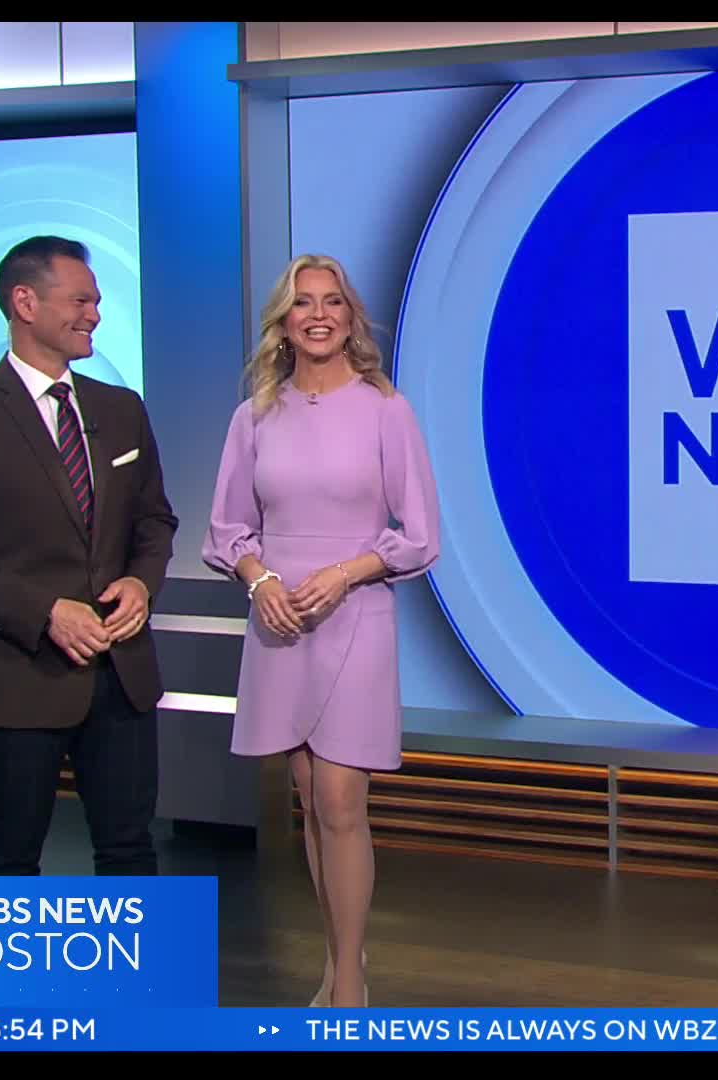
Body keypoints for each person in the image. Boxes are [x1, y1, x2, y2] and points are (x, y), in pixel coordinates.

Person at [203, 254, 440, 1009]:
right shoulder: (254, 416)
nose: (318, 314)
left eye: (332, 302)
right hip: (279, 621)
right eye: (302, 302)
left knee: (341, 796)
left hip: (354, 614)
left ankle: (346, 987)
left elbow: (421, 534)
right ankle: (345, 960)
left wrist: (346, 573)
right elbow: (227, 528)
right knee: (309, 794)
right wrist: (259, 579)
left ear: (350, 317)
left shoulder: (384, 409)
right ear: (283, 319)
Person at [0, 235, 178, 877]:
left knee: (130, 850)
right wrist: (46, 611)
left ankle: (133, 982)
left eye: (98, 301)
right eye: (80, 299)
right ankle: (15, 983)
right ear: (24, 302)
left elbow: (154, 519)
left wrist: (141, 584)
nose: (95, 314)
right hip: (18, 676)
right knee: (10, 858)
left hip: (120, 676)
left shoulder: (120, 410)